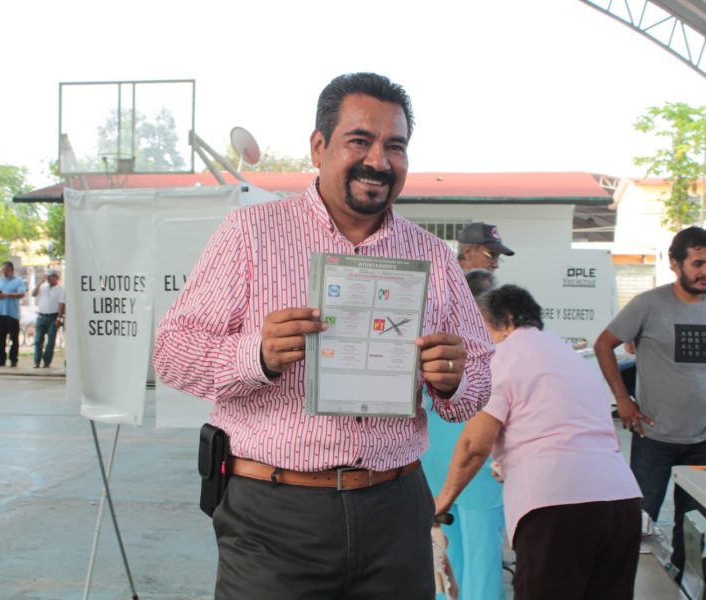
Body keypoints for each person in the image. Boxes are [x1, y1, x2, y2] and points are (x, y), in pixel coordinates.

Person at [154, 72, 493, 600]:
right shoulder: (252, 235)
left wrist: (454, 379)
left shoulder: (432, 257)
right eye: (360, 140)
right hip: (274, 513)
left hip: (395, 505)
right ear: (319, 146)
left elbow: (475, 386)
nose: (378, 161)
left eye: (395, 146)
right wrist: (257, 355)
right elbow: (171, 353)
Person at [435, 284, 642, 600]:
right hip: (621, 501)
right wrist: (512, 462)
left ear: (507, 320)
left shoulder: (501, 356)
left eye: (480, 327)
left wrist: (443, 501)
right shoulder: (566, 355)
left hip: (556, 506)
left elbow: (472, 446)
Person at [594, 225, 706, 581]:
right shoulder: (649, 304)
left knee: (694, 528)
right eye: (698, 263)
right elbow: (603, 345)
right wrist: (623, 400)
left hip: (702, 441)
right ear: (675, 263)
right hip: (653, 437)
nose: (705, 271)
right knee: (639, 524)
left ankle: (681, 585)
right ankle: (626, 585)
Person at [421, 265, 504, 600]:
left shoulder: (435, 339)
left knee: (442, 553)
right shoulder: (494, 348)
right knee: (481, 557)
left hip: (437, 461)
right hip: (475, 462)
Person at [0, 261, 26, 368]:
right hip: (0, 313)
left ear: (11, 270)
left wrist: (7, 295)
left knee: (14, 339)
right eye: (2, 270)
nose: (3, 272)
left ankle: (13, 359)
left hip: (12, 314)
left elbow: (21, 294)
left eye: (5, 270)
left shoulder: (18, 281)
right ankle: (1, 359)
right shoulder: (0, 280)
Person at [32, 269, 65, 368]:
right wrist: (40, 283)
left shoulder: (61, 289)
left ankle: (47, 362)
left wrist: (59, 318)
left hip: (53, 317)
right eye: (47, 277)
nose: (48, 278)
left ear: (55, 278)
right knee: (38, 340)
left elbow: (61, 304)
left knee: (50, 342)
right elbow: (33, 294)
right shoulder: (43, 287)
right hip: (41, 316)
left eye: (50, 276)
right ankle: (37, 361)